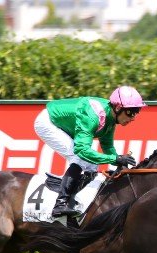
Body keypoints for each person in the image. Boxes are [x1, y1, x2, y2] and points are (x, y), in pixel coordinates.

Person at [34, 86, 144, 217]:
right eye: (130, 112)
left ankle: (77, 199)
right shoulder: (92, 117)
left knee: (92, 166)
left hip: (65, 125)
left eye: (136, 113)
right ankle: (60, 204)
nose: (133, 118)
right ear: (118, 108)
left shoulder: (110, 118)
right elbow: (81, 150)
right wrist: (115, 159)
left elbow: (107, 146)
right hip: (48, 122)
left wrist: (119, 161)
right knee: (79, 158)